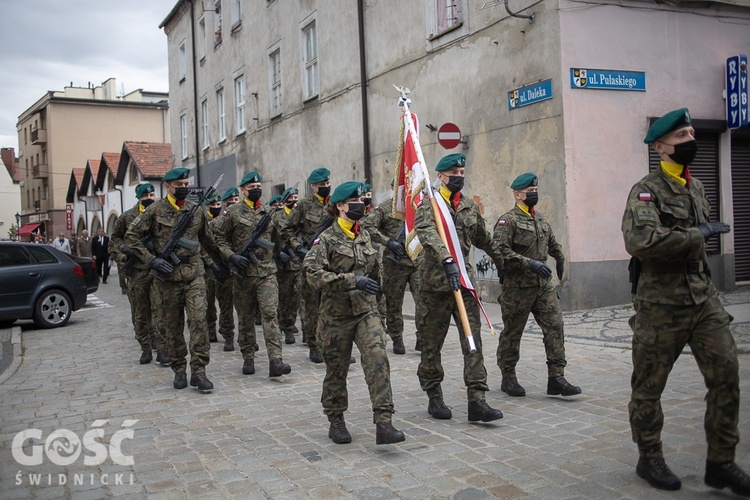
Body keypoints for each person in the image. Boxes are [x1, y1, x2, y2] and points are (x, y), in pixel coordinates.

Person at [621, 108, 749, 495]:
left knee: (727, 375)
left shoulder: (696, 186)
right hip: (661, 304)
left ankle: (721, 462)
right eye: (681, 138)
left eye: (693, 133)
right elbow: (641, 242)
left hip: (702, 298)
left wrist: (698, 240)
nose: (691, 142)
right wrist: (698, 234)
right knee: (649, 386)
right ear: (660, 147)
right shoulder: (646, 190)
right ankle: (649, 457)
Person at [304, 180, 405, 445]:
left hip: (365, 312)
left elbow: (375, 275)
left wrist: (379, 309)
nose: (362, 205)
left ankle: (384, 422)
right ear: (340, 206)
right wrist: (351, 280)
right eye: (356, 202)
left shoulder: (365, 235)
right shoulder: (325, 239)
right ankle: (336, 420)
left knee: (378, 360)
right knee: (336, 371)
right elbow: (313, 275)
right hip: (335, 316)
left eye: (363, 201)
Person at [414, 153, 504, 423]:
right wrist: (447, 259)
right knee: (431, 346)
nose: (459, 176)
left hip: (463, 284)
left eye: (462, 171)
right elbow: (427, 233)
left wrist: (501, 259)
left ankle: (477, 400)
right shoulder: (429, 204)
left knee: (472, 342)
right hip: (435, 286)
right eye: (453, 172)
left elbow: (482, 237)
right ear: (440, 176)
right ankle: (434, 396)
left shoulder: (467, 205)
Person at [125, 167, 224, 392]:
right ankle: (179, 368)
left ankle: (199, 371)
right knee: (172, 326)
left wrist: (220, 264)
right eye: (179, 185)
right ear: (168, 187)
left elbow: (208, 241)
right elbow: (132, 236)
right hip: (167, 278)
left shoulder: (195, 211)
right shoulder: (155, 210)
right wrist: (152, 260)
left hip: (194, 274)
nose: (184, 188)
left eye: (186, 185)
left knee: (199, 320)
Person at [492, 173, 581, 399]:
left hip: (542, 286)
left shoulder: (540, 220)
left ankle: (556, 377)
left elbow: (551, 243)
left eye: (535, 190)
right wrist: (529, 263)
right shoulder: (507, 220)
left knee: (555, 325)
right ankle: (508, 376)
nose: (534, 194)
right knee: (513, 333)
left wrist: (560, 258)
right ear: (517, 194)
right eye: (529, 192)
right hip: (517, 288)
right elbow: (500, 250)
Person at [213, 171, 291, 378]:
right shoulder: (233, 213)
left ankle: (276, 360)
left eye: (258, 187)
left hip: (267, 272)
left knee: (270, 315)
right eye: (251, 188)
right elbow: (218, 237)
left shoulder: (268, 212)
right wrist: (231, 257)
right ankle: (248, 356)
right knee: (246, 317)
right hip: (243, 274)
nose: (256, 190)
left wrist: (279, 256)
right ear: (243, 190)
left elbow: (275, 239)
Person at [110, 183, 170, 366]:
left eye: (152, 194)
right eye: (146, 196)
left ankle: (162, 349)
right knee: (140, 312)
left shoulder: (161, 214)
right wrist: (124, 252)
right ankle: (145, 348)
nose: (150, 198)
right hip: (137, 272)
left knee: (160, 311)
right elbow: (114, 241)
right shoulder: (127, 217)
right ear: (139, 198)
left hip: (157, 270)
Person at [362, 187, 425, 355]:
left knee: (424, 302)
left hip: (418, 261)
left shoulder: (420, 206)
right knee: (394, 304)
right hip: (394, 264)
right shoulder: (385, 208)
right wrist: (388, 242)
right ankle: (397, 338)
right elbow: (368, 226)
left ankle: (423, 338)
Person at [279, 167, 332, 364]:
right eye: (321, 185)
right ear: (313, 186)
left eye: (327, 184)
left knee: (334, 307)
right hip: (311, 262)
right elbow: (286, 229)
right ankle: (314, 346)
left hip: (333, 262)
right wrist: (298, 247)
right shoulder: (303, 205)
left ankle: (332, 346)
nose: (325, 187)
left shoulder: (336, 204)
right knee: (311, 308)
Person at [273, 187, 303, 345]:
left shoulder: (299, 214)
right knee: (285, 297)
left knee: (300, 296)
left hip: (298, 260)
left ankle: (306, 328)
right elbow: (273, 237)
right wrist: (277, 254)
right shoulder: (276, 216)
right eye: (290, 198)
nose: (293, 200)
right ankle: (287, 327)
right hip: (283, 264)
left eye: (295, 197)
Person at [204, 193, 228, 344]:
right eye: (213, 205)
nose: (216, 208)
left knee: (225, 301)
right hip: (207, 266)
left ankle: (226, 331)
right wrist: (210, 263)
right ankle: (211, 328)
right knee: (208, 300)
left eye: (218, 205)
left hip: (222, 264)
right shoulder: (203, 221)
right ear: (207, 206)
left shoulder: (224, 220)